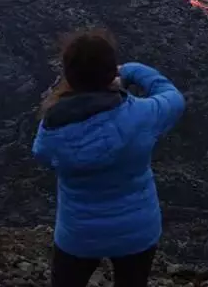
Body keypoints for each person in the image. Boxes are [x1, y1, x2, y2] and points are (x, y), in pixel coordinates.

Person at [32, 28, 185, 287]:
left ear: (69, 75)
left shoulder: (52, 129)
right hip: (137, 231)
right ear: (111, 72)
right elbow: (173, 98)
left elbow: (42, 155)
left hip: (79, 234)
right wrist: (131, 70)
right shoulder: (142, 115)